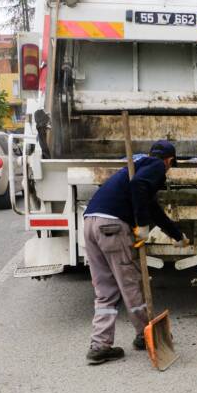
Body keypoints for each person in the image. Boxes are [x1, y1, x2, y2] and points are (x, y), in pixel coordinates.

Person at [82, 140, 186, 365]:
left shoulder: (137, 167)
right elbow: (139, 188)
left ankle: (100, 345)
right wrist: (142, 225)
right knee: (131, 284)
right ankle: (145, 335)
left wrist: (177, 235)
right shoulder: (156, 166)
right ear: (169, 160)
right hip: (112, 226)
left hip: (90, 222)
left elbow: (151, 207)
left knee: (105, 290)